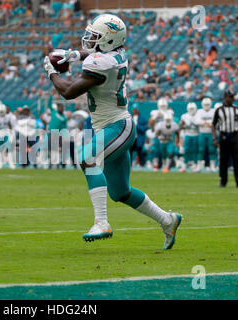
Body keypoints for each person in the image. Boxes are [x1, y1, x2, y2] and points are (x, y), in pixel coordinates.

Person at [45, 14, 182, 248]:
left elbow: (68, 92)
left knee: (88, 157)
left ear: (109, 40)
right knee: (121, 193)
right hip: (112, 127)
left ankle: (102, 222)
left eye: (95, 37)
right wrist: (76, 55)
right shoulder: (115, 54)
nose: (88, 40)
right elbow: (97, 54)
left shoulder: (101, 64)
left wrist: (52, 71)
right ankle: (168, 220)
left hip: (117, 126)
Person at [212, 89, 238, 188]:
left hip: (234, 136)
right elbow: (213, 125)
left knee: (237, 160)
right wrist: (214, 138)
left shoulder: (236, 109)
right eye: (231, 97)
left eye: (233, 96)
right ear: (225, 98)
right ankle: (223, 181)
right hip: (224, 136)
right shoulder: (219, 110)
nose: (233, 98)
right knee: (223, 160)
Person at [195, 97, 217, 172]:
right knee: (200, 149)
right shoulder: (199, 111)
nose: (206, 106)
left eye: (208, 104)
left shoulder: (213, 111)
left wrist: (206, 122)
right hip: (202, 133)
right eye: (205, 104)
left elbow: (216, 121)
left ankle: (212, 166)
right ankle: (199, 165)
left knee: (212, 149)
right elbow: (197, 121)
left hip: (211, 133)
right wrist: (206, 122)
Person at [0, 102, 15, 169]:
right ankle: (0, 163)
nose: (2, 113)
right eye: (0, 111)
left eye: (3, 111)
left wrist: (11, 134)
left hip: (6, 134)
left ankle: (11, 163)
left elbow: (10, 126)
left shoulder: (8, 117)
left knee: (9, 149)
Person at [179, 102, 199, 172]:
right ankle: (185, 164)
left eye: (192, 108)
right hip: (187, 134)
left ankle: (195, 164)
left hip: (196, 134)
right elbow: (181, 126)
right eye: (190, 108)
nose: (191, 110)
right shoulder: (184, 116)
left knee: (195, 150)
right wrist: (182, 124)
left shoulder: (198, 115)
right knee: (186, 150)